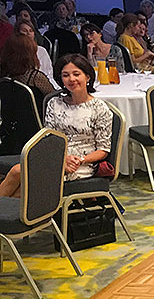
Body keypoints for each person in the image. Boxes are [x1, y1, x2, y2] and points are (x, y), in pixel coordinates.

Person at [0, 54, 112, 197]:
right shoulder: (55, 103)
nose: (71, 79)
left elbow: (103, 150)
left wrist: (80, 160)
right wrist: (61, 158)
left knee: (20, 181)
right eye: (66, 75)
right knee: (19, 181)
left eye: (76, 74)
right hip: (55, 157)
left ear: (87, 77)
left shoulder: (99, 108)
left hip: (80, 164)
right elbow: (48, 137)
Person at [0, 33, 56, 112]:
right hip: (36, 118)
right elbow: (54, 99)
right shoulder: (35, 78)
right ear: (29, 54)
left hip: (8, 117)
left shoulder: (4, 74)